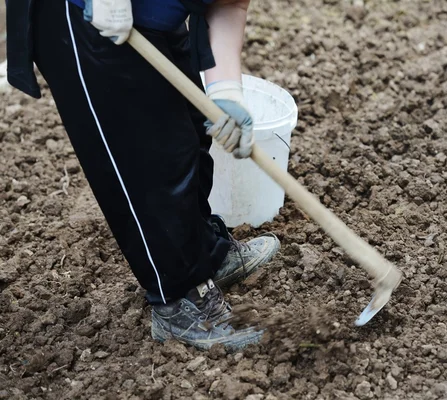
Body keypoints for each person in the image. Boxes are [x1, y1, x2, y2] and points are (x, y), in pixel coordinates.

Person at [6, 0, 280, 351]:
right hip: (82, 14)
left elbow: (229, 3)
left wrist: (227, 90)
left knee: (189, 133)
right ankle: (179, 298)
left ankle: (204, 253)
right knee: (145, 158)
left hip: (150, 13)